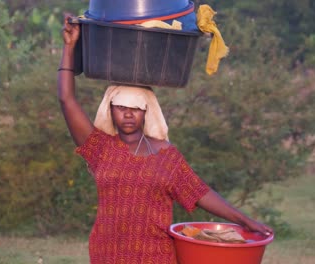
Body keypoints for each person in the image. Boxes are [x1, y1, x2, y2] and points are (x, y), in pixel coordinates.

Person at [57, 14, 273, 264]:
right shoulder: (100, 148)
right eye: (121, 106)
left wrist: (246, 221)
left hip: (155, 256)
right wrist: (69, 46)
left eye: (136, 107)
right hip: (107, 254)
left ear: (147, 110)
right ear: (110, 109)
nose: (128, 113)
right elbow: (66, 99)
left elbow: (200, 192)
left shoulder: (166, 156)